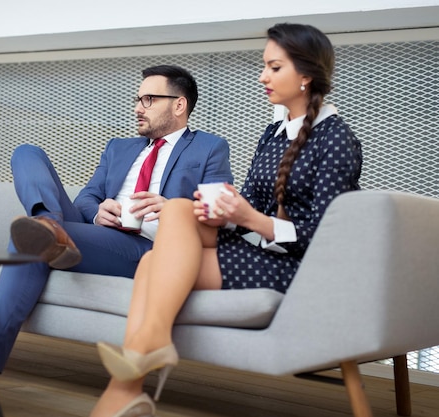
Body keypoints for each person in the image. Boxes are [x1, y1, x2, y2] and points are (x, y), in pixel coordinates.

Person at [0, 64, 234, 417]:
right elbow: (85, 200)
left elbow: (216, 214)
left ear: (179, 105)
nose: (137, 107)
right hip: (95, 231)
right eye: (137, 99)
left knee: (28, 243)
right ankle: (50, 227)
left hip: (146, 247)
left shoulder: (209, 147)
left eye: (148, 99)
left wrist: (174, 207)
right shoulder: (120, 147)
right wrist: (99, 211)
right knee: (27, 152)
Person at [90, 23, 363, 417]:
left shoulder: (337, 140)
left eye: (273, 67)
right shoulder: (274, 133)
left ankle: (134, 371)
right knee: (181, 208)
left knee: (153, 259)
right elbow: (248, 203)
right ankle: (140, 366)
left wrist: (249, 217)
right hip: (257, 249)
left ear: (305, 75)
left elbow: (324, 238)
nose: (262, 76)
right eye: (264, 66)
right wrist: (223, 209)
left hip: (297, 267)